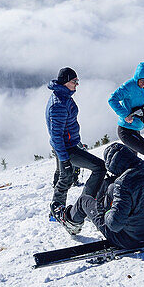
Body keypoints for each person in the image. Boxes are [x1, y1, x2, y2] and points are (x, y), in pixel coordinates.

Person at [58, 143, 144, 249]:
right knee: (111, 188)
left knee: (84, 200)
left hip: (128, 239)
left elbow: (114, 225)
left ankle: (70, 221)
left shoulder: (124, 183)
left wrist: (105, 212)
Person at [46, 67, 105, 221]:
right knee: (99, 167)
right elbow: (56, 135)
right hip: (66, 148)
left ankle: (56, 211)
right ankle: (85, 206)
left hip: (70, 145)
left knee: (65, 177)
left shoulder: (63, 96)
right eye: (75, 81)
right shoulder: (58, 103)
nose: (77, 84)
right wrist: (64, 159)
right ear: (66, 82)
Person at [108, 62, 144, 160]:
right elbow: (112, 99)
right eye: (142, 80)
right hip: (126, 130)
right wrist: (125, 115)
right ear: (137, 77)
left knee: (132, 161)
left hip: (136, 129)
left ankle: (129, 175)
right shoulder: (129, 86)